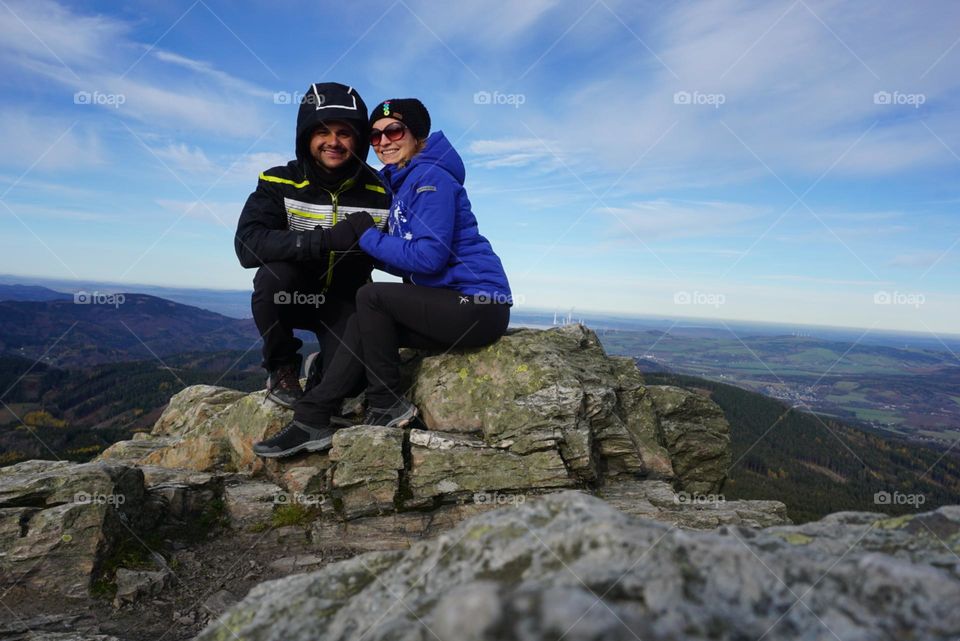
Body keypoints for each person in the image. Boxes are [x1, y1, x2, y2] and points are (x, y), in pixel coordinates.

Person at [254, 98, 512, 458]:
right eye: (374, 136)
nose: (383, 141)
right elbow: (409, 260)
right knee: (364, 324)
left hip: (477, 304)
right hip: (449, 305)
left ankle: (386, 404)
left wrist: (365, 235)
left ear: (418, 135)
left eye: (394, 130)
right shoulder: (403, 181)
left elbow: (428, 257)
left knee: (370, 298)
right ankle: (313, 418)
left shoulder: (431, 177)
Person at [235, 82, 389, 409]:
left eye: (344, 133)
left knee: (348, 388)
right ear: (306, 136)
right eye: (322, 131)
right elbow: (247, 245)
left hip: (346, 303)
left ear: (358, 140)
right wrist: (326, 240)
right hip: (293, 294)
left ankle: (320, 366)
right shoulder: (280, 181)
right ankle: (281, 367)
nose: (333, 141)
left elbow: (404, 250)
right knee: (272, 277)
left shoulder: (382, 191)